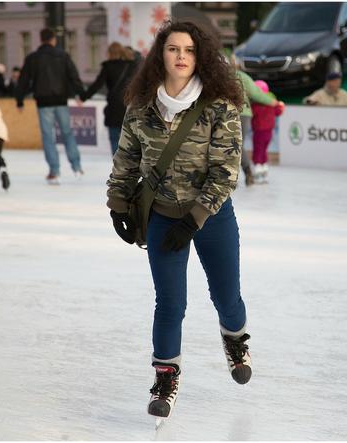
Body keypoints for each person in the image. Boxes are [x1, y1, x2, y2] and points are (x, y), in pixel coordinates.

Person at [106, 20, 251, 420]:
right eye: (173, 49)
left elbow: (226, 170)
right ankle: (165, 378)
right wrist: (118, 203)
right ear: (161, 55)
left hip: (212, 216)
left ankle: (234, 337)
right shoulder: (141, 106)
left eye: (188, 50)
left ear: (199, 55)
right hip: (163, 215)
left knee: (227, 298)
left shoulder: (219, 105)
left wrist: (197, 217)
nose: (181, 57)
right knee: (169, 304)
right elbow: (127, 158)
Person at [16, 28, 88, 184]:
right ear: (53, 39)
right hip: (61, 100)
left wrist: (19, 100)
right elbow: (73, 76)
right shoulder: (63, 56)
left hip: (43, 102)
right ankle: (77, 167)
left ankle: (54, 171)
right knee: (67, 133)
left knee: (48, 137)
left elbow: (23, 80)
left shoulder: (33, 58)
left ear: (41, 39)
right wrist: (81, 94)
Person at [230, 54, 279, 186]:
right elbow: (256, 93)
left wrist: (271, 102)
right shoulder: (240, 77)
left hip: (239, 113)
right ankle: (243, 173)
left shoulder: (239, 77)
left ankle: (246, 172)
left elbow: (257, 94)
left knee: (235, 145)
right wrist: (272, 102)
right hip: (238, 113)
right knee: (234, 145)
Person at [84, 42, 138, 155]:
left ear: (109, 53)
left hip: (113, 105)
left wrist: (84, 96)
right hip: (128, 105)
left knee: (114, 137)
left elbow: (97, 84)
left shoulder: (108, 67)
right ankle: (129, 163)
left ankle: (117, 163)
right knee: (129, 137)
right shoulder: (132, 66)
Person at [251, 80, 284, 184]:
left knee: (258, 150)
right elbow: (278, 112)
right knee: (263, 150)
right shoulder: (271, 103)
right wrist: (280, 106)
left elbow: (251, 114)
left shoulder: (256, 105)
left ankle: (258, 170)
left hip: (259, 131)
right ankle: (264, 170)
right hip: (269, 132)